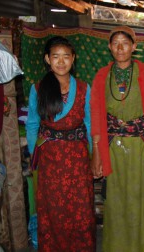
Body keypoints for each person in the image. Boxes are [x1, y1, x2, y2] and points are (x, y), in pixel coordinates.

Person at [90, 26, 144, 252]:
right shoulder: (102, 76)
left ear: (134, 46)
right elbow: (96, 113)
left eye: (126, 42)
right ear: (109, 47)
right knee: (116, 198)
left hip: (142, 147)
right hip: (112, 148)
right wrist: (96, 150)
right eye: (116, 43)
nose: (121, 47)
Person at [25, 36, 96, 251]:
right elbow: (32, 125)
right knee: (53, 210)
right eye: (56, 56)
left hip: (77, 160)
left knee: (80, 209)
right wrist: (34, 155)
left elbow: (90, 124)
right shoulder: (37, 89)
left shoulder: (84, 89)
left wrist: (94, 156)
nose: (61, 62)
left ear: (73, 59)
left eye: (66, 56)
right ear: (47, 59)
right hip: (49, 160)